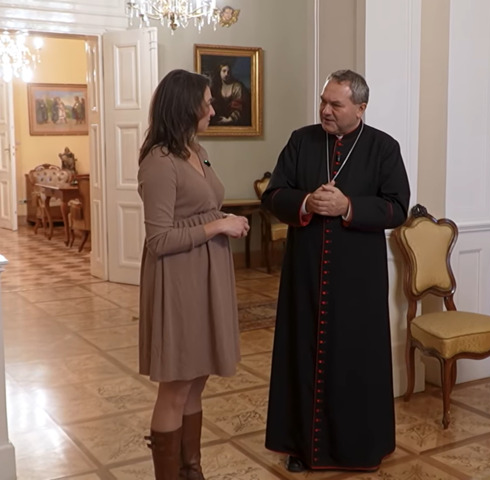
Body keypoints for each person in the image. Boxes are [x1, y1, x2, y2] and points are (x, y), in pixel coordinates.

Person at [262, 69, 411, 472]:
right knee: (302, 357)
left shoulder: (383, 148)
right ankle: (299, 447)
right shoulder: (301, 141)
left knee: (355, 362)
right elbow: (273, 195)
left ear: (360, 108)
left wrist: (349, 206)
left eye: (336, 104)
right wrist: (306, 202)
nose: (325, 110)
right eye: (323, 102)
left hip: (358, 280)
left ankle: (359, 449)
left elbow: (398, 207)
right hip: (305, 275)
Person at [137, 69, 249, 479]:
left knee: (197, 379)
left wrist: (224, 219)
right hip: (179, 282)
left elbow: (201, 207)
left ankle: (191, 470)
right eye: (207, 103)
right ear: (187, 107)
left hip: (207, 277)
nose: (213, 110)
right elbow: (159, 240)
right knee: (177, 384)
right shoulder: (159, 162)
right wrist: (218, 225)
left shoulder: (196, 151)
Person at [210, 62, 251, 126]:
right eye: (224, 71)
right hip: (218, 120)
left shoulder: (237, 87)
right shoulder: (216, 87)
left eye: (228, 72)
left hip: (235, 122)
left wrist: (230, 119)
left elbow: (239, 106)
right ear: (219, 72)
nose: (226, 74)